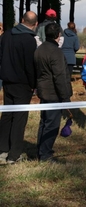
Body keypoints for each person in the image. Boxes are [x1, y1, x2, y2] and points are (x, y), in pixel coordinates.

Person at [0, 11, 38, 164]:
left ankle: (2, 150)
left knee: (7, 116)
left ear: (21, 20)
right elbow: (30, 66)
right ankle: (14, 154)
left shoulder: (7, 35)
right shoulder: (29, 40)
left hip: (7, 81)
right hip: (22, 84)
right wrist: (33, 85)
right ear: (35, 24)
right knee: (19, 118)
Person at [34, 23, 72, 162]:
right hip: (53, 93)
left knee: (44, 122)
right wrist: (65, 97)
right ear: (58, 35)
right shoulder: (55, 52)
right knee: (51, 125)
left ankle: (41, 150)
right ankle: (45, 154)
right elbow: (60, 76)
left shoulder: (40, 49)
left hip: (43, 91)